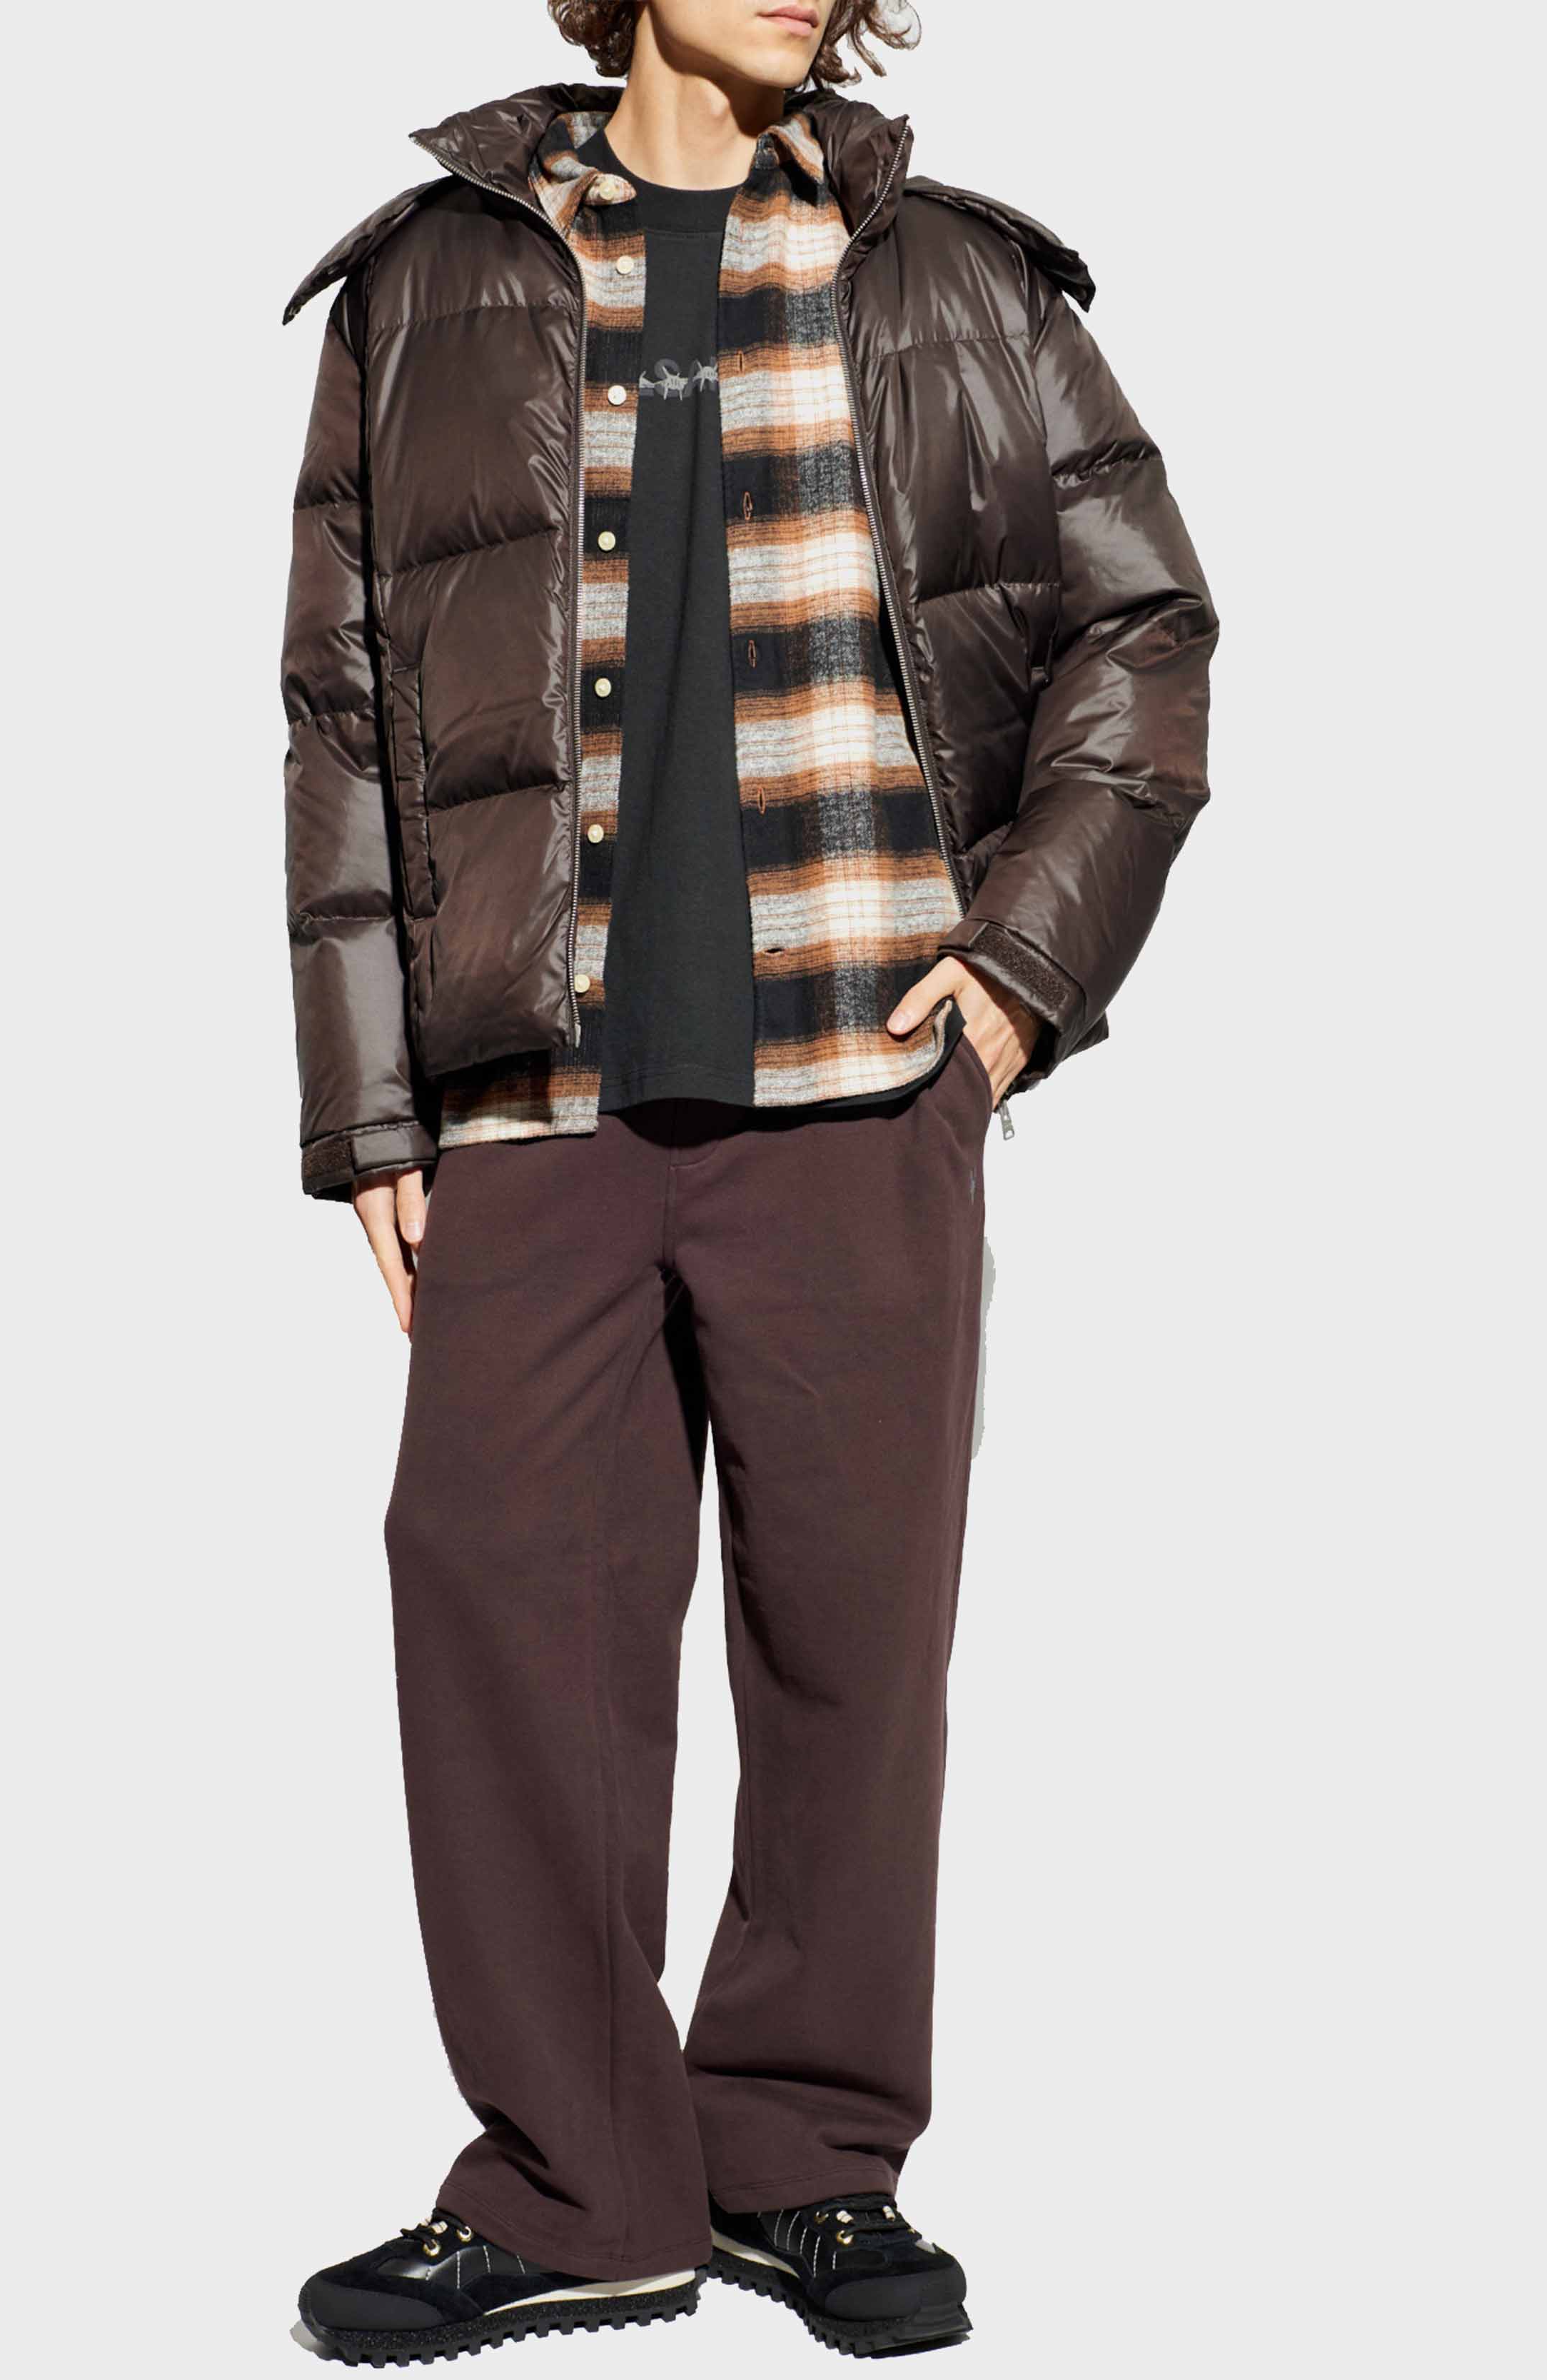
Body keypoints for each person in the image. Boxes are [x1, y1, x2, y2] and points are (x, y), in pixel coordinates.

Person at [279, 0, 1214, 2362]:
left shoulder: (959, 275)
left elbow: (1142, 626)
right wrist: (369, 1108)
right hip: (534, 1085)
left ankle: (799, 2159)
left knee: (848, 1642)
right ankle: (578, 2187)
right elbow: (345, 708)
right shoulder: (427, 279)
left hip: (858, 1072)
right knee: (500, 1614)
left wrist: (1017, 973)